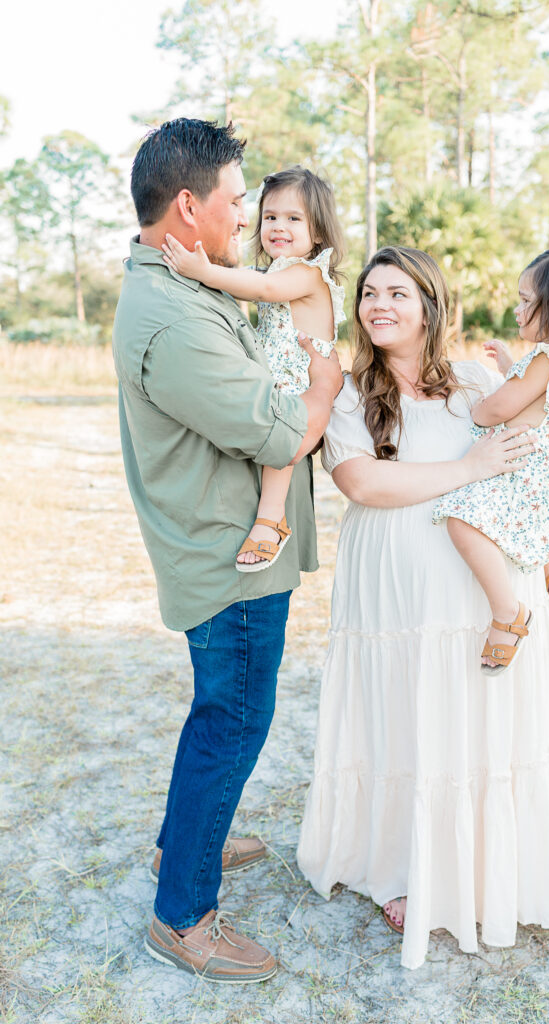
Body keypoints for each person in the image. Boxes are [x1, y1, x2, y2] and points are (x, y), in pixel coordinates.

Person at [296, 246, 549, 970]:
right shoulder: (347, 389)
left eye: (398, 292)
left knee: (481, 721)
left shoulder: (475, 380)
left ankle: (492, 868)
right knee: (403, 716)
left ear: (430, 304)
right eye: (369, 293)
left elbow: (533, 452)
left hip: (480, 581)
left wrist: (544, 547)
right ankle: (404, 867)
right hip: (392, 589)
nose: (380, 305)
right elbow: (362, 482)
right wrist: (465, 469)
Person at [112, 118, 342, 983]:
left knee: (218, 711)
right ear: (186, 205)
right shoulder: (174, 318)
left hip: (229, 538)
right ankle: (183, 918)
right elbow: (282, 427)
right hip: (226, 555)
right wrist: (325, 381)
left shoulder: (185, 285)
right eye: (238, 201)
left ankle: (188, 843)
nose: (247, 217)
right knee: (235, 718)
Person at [433, 245, 549, 675]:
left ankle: (508, 614)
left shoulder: (546, 358)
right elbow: (539, 396)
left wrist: (478, 409)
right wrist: (512, 367)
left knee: (463, 520)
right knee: (527, 520)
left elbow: (499, 409)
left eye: (525, 301)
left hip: (530, 462)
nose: (516, 310)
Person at [161, 166, 345, 572]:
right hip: (282, 376)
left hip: (302, 380)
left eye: (294, 219)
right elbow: (252, 281)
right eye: (271, 217)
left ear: (318, 233)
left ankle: (271, 519)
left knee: (280, 444)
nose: (279, 226)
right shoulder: (276, 270)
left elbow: (262, 290)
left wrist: (204, 271)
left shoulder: (309, 273)